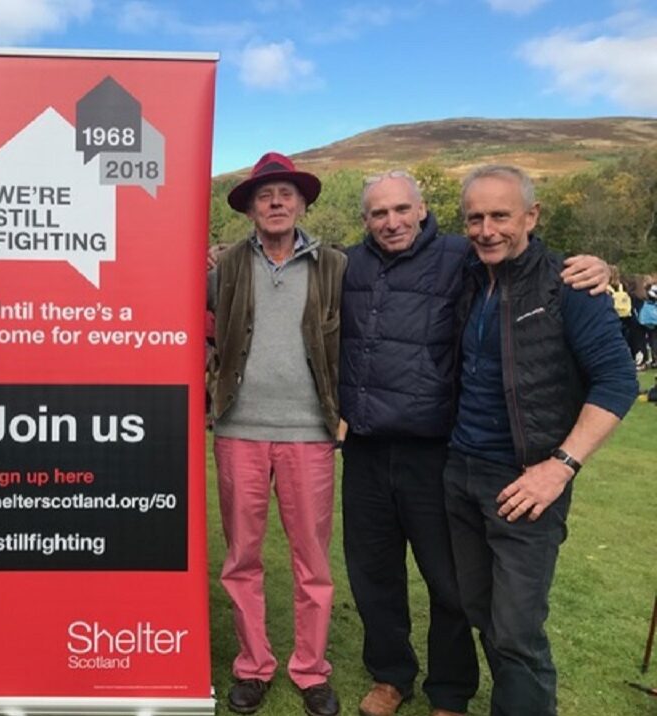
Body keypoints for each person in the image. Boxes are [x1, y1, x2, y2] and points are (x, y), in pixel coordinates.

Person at [339, 170, 611, 716]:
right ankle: (391, 676)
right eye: (377, 213)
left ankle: (449, 690)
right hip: (367, 448)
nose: (390, 222)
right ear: (364, 221)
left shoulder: (458, 254)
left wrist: (599, 265)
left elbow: (528, 259)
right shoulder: (347, 264)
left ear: (422, 210)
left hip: (435, 449)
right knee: (374, 575)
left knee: (450, 584)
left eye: (400, 209)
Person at [444, 165, 637, 716]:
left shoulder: (568, 284)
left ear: (531, 216)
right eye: (475, 218)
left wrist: (560, 467)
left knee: (517, 631)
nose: (486, 229)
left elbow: (619, 381)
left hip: (529, 482)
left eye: (500, 216)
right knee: (480, 612)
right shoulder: (470, 274)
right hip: (461, 473)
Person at [208, 152, 345, 716]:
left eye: (286, 194)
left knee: (312, 559)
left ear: (304, 202)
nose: (276, 203)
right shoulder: (227, 267)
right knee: (242, 556)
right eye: (265, 196)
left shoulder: (336, 265)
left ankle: (311, 670)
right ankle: (253, 665)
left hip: (310, 431)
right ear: (250, 209)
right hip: (239, 429)